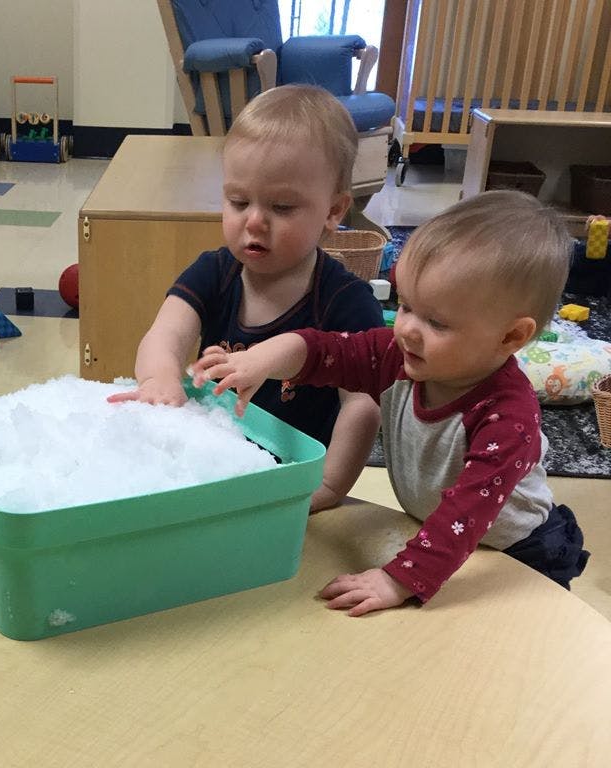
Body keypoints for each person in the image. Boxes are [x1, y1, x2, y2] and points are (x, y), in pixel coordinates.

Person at [191, 189, 590, 616]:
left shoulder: (508, 414)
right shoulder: (399, 356)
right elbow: (325, 350)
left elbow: (467, 511)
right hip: (432, 533)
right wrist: (259, 360)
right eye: (405, 306)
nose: (407, 330)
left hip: (516, 555)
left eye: (435, 321)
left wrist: (397, 579)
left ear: (511, 337)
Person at [108, 84, 384, 511]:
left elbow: (362, 408)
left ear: (333, 210)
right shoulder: (215, 271)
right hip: (215, 464)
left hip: (292, 479)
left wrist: (327, 488)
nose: (254, 221)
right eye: (238, 201)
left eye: (283, 207)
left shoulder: (346, 300)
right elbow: (166, 334)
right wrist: (158, 378)